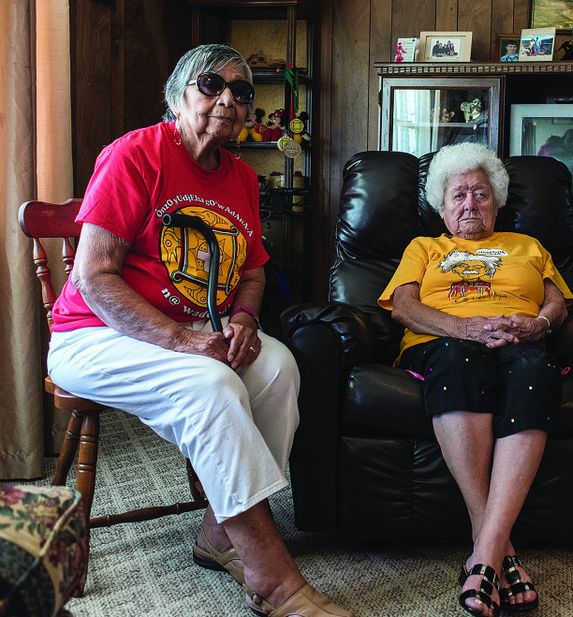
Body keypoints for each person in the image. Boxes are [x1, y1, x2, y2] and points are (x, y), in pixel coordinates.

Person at [46, 44, 352, 617]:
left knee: (280, 369)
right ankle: (273, 580)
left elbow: (254, 270)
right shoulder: (135, 155)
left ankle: (218, 533)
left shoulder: (239, 176)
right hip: (92, 333)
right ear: (177, 94)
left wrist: (242, 319)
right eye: (212, 85)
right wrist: (183, 340)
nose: (229, 100)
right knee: (212, 387)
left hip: (194, 328)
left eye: (242, 92)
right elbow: (92, 278)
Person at [378, 142, 573, 617]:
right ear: (441, 208)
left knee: (533, 370)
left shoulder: (528, 247)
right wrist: (461, 327)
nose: (470, 205)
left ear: (498, 202)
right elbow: (403, 306)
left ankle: (481, 554)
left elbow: (558, 304)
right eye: (459, 196)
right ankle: (498, 550)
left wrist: (539, 325)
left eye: (481, 194)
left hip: (517, 344)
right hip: (445, 343)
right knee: (460, 359)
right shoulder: (424, 248)